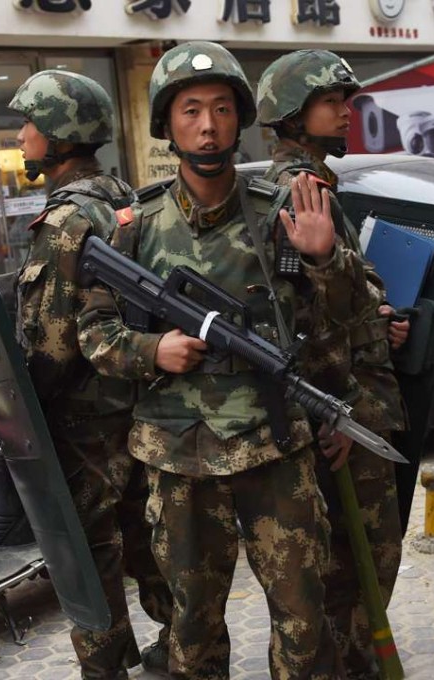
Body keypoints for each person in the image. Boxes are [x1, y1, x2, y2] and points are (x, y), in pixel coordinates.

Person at [78, 41, 378, 679]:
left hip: (275, 447)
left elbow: (339, 325)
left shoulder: (281, 212)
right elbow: (94, 332)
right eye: (190, 111)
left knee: (305, 619)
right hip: (177, 457)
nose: (208, 126)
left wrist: (326, 260)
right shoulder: (133, 225)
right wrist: (151, 348)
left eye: (220, 109)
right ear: (167, 124)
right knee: (191, 626)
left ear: (241, 120)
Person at [7, 69, 172, 680]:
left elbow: (52, 345)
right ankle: (186, 647)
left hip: (85, 423)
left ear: (58, 133)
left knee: (88, 553)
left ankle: (105, 669)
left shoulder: (67, 220)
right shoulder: (125, 199)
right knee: (151, 540)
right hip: (142, 408)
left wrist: (21, 412)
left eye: (30, 123)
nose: (21, 134)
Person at [256, 49, 409, 679]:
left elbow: (339, 300)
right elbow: (303, 321)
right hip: (344, 406)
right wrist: (335, 410)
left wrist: (379, 317)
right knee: (363, 553)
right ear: (292, 115)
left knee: (355, 553)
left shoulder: (315, 184)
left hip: (351, 398)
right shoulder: (299, 191)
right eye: (330, 103)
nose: (345, 114)